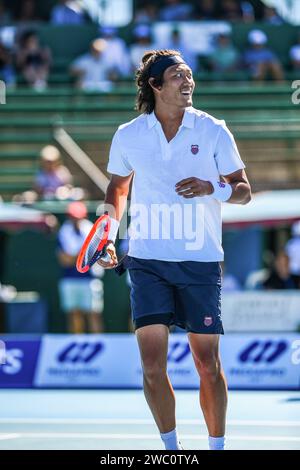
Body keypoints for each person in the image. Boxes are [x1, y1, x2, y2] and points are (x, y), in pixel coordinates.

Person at [97, 49, 251, 450]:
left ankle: (216, 448)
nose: (188, 82)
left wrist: (210, 187)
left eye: (189, 75)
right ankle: (171, 451)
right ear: (156, 85)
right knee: (151, 366)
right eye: (179, 76)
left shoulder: (213, 129)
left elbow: (243, 190)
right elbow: (118, 188)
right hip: (147, 260)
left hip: (200, 261)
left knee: (208, 366)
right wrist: (108, 234)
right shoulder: (128, 134)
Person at [57, 201, 104, 333]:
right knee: (73, 314)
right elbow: (64, 260)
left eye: (77, 217)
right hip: (70, 280)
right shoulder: (63, 232)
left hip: (90, 280)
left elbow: (90, 258)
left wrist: (76, 257)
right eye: (72, 217)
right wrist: (81, 255)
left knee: (94, 314)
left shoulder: (91, 230)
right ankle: (77, 347)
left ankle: (97, 346)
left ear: (84, 217)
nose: (74, 220)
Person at [285, 221, 300, 289]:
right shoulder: (291, 243)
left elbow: (287, 257)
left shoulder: (290, 243)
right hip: (293, 270)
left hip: (293, 270)